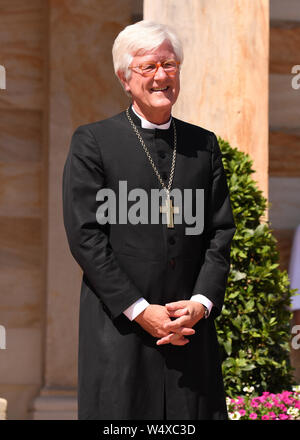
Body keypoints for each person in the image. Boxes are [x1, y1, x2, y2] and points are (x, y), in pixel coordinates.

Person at [62, 20, 236, 420]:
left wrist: (201, 302)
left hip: (188, 331)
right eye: (148, 67)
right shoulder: (93, 142)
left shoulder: (203, 144)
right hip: (120, 330)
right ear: (126, 78)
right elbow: (86, 236)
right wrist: (140, 310)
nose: (161, 76)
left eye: (170, 65)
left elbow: (219, 231)